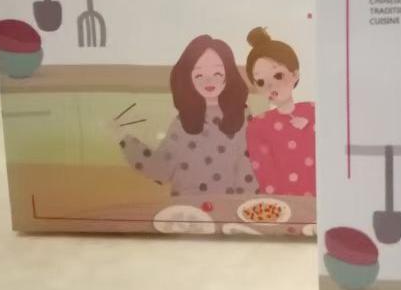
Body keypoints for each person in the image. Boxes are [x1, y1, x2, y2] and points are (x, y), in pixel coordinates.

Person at [118, 35, 254, 197]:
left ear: (229, 74)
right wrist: (124, 138)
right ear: (188, 78)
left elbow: (249, 176)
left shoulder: (243, 116)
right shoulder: (182, 122)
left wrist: (241, 207)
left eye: (217, 73)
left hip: (231, 207)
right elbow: (161, 170)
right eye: (199, 75)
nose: (208, 80)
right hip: (186, 207)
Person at [244, 27, 316, 197]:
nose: (271, 86)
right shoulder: (258, 126)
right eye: (261, 81)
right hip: (281, 205)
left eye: (278, 75)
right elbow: (265, 176)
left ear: (295, 74)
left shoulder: (314, 111)